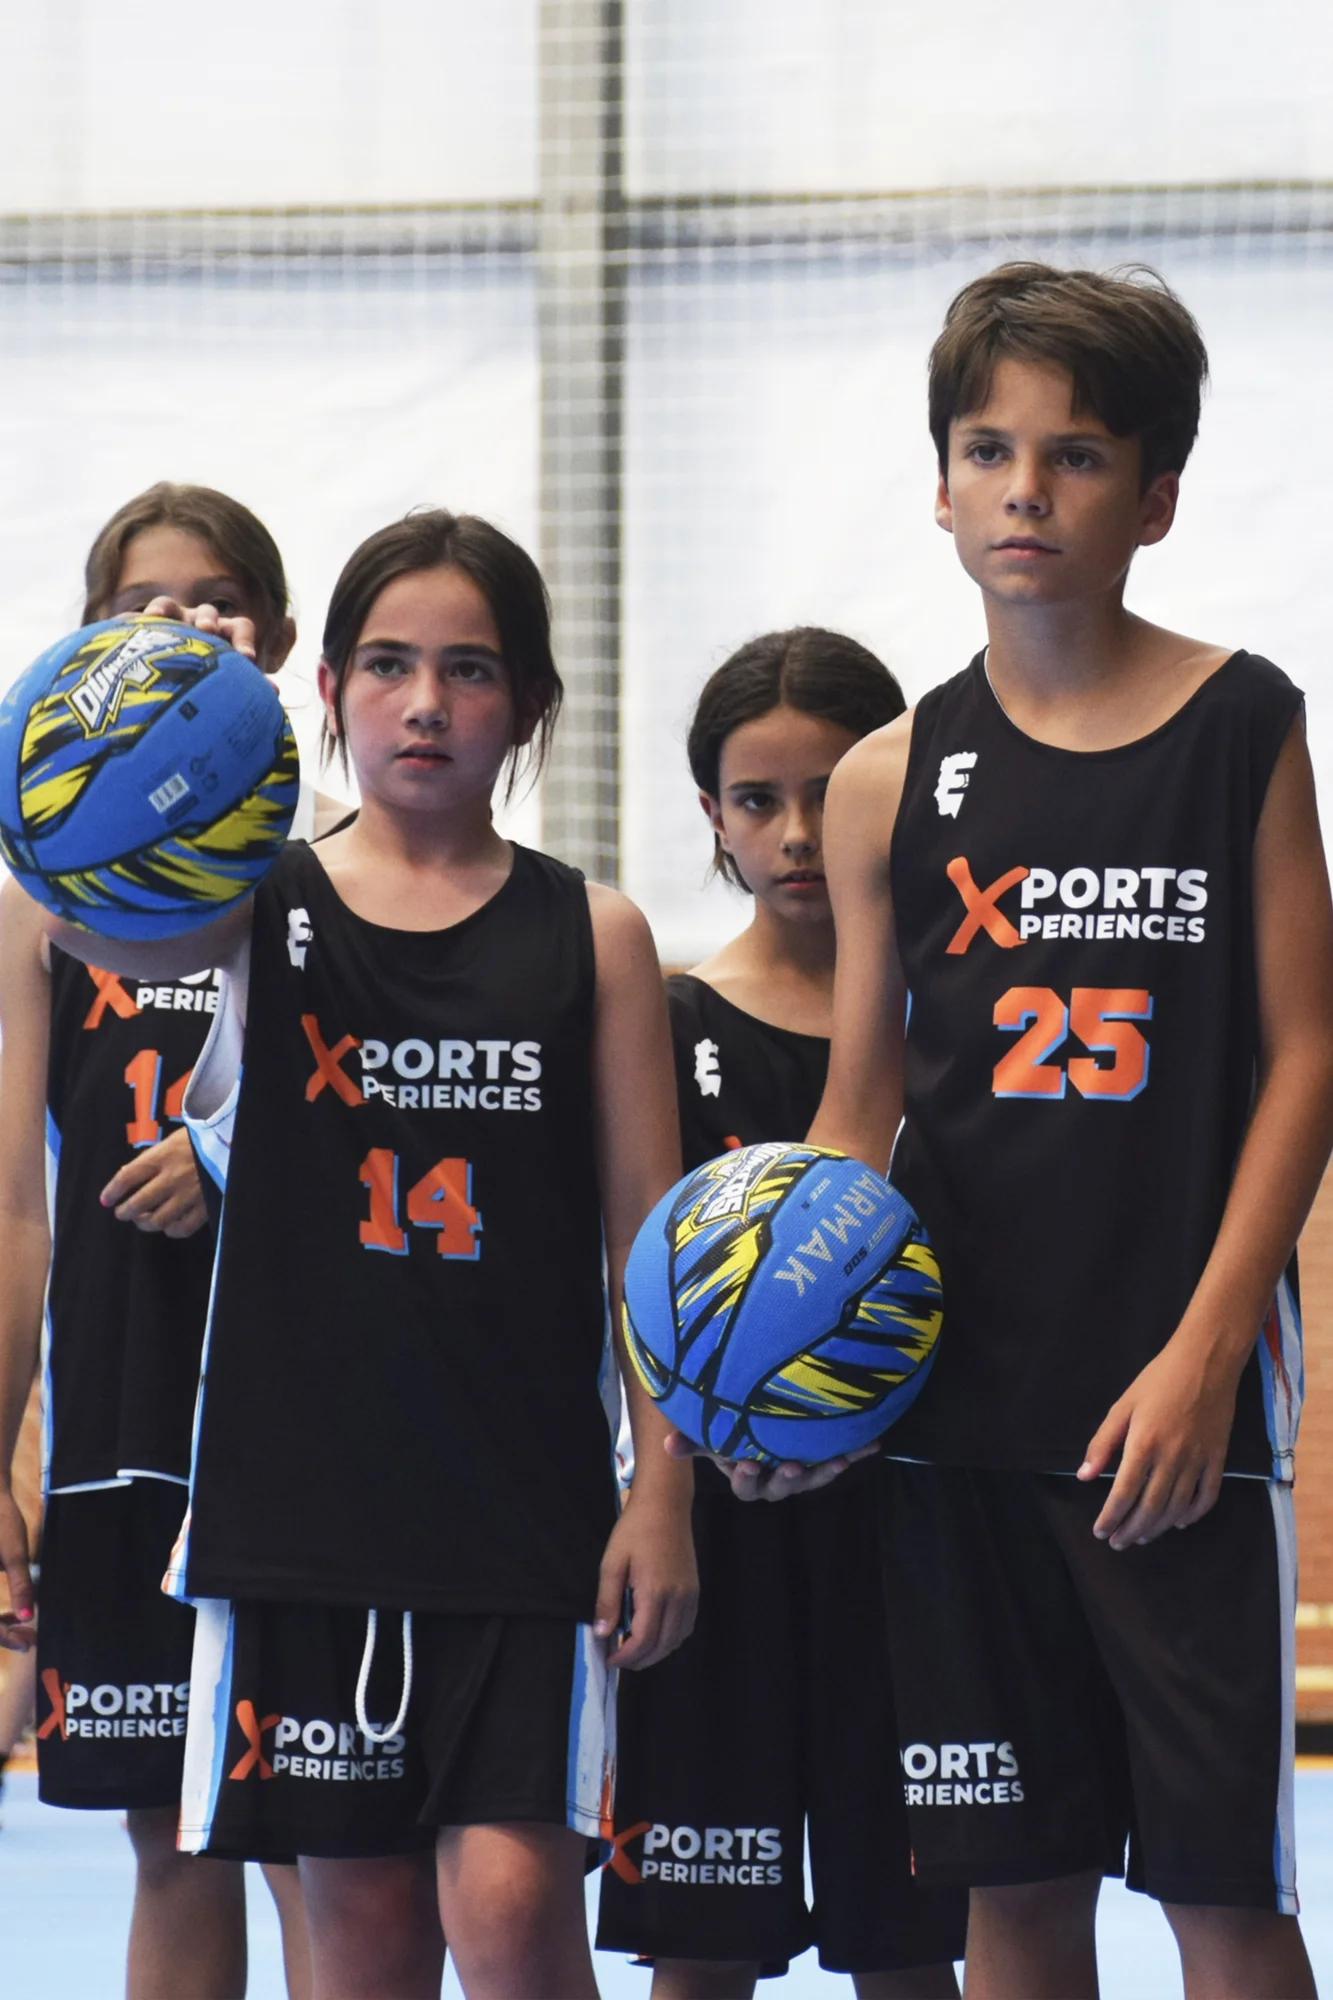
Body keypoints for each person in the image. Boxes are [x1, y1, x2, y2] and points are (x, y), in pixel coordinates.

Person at [17, 507, 699, 1999]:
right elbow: (84, 926)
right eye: (387, 664)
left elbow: (651, 1244)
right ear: (322, 692)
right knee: (363, 1935)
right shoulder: (260, 911)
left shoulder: (595, 935)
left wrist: (665, 1488)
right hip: (298, 1518)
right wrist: (78, 772)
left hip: (522, 1512)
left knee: (513, 1913)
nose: (426, 701)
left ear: (527, 705)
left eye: (467, 669)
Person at [786, 263, 1333, 1998]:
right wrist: (780, 1357)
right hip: (953, 1404)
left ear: (1154, 495)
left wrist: (1206, 1346)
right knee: (1008, 1894)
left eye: (1078, 456)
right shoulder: (889, 773)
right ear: (940, 484)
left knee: (1219, 1897)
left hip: (1167, 1402)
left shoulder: (1241, 724)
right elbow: (859, 1104)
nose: (1027, 490)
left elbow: (1307, 1055)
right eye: (990, 449)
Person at [597, 628, 964, 1998]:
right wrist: (669, 1487)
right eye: (758, 800)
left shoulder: (957, 1035)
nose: (797, 832)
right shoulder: (664, 1019)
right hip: (717, 1541)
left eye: (827, 791)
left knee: (915, 1954)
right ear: (711, 818)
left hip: (919, 1548)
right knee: (701, 1952)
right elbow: (633, 1281)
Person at [0, 484, 312, 1999]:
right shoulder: (35, 912)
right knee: (166, 1842)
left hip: (306, 1434)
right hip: (122, 1433)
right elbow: (12, 1214)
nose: (183, 624)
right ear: (88, 645)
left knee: (323, 1839)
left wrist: (236, 1152)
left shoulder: (338, 877)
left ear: (283, 640)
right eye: (143, 603)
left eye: (218, 602)